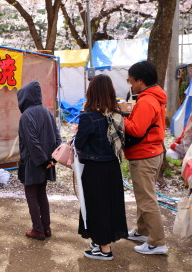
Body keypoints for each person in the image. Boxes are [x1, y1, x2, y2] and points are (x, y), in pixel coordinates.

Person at [74, 74, 128, 260]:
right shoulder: (117, 114)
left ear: (92, 93)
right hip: (112, 167)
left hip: (95, 169)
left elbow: (79, 144)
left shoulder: (88, 117)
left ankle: (105, 250)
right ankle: (99, 243)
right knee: (110, 205)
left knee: (97, 206)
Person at [124, 61, 168, 255]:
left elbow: (136, 129)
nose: (130, 85)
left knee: (146, 199)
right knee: (144, 196)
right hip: (152, 151)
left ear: (140, 80)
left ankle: (157, 242)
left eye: (131, 81)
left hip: (144, 155)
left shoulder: (146, 101)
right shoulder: (152, 98)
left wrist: (120, 118)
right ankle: (142, 231)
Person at [17, 81, 61, 240]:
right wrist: (52, 159)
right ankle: (46, 228)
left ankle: (38, 229)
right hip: (47, 161)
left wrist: (43, 161)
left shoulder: (26, 115)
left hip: (34, 162)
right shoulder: (48, 112)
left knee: (31, 193)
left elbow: (32, 142)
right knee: (42, 192)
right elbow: (58, 137)